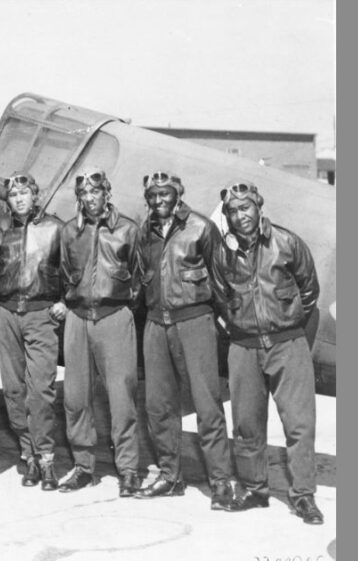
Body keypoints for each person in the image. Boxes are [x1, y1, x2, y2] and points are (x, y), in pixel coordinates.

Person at [209, 181, 323, 525]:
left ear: (259, 207)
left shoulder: (286, 242)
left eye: (245, 207)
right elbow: (218, 295)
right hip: (243, 347)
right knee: (246, 424)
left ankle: (303, 496)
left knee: (299, 424)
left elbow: (309, 289)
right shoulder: (222, 252)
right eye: (232, 211)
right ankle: (255, 489)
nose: (240, 215)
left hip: (288, 344)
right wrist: (240, 325)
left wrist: (284, 323)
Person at [132, 171, 234, 510]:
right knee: (158, 406)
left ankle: (220, 483)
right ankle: (170, 476)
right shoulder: (143, 232)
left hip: (194, 321)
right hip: (156, 325)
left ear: (178, 194)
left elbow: (221, 280)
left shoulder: (201, 227)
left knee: (207, 405)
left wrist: (224, 323)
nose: (159, 200)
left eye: (165, 194)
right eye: (153, 195)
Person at [58, 167, 142, 497]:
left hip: (114, 317)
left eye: (96, 191)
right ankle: (83, 467)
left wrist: (118, 308)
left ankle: (129, 470)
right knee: (76, 397)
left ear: (107, 192)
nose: (90, 199)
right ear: (79, 198)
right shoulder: (69, 232)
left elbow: (139, 278)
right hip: (78, 319)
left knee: (121, 398)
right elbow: (65, 274)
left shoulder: (128, 230)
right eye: (84, 194)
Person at [0, 172, 66, 491]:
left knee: (41, 391)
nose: (19, 199)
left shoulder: (55, 228)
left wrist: (65, 300)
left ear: (36, 195)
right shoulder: (0, 230)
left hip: (40, 315)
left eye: (25, 193)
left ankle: (47, 458)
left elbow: (73, 269)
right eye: (13, 195)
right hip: (7, 314)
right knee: (13, 391)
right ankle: (29, 456)